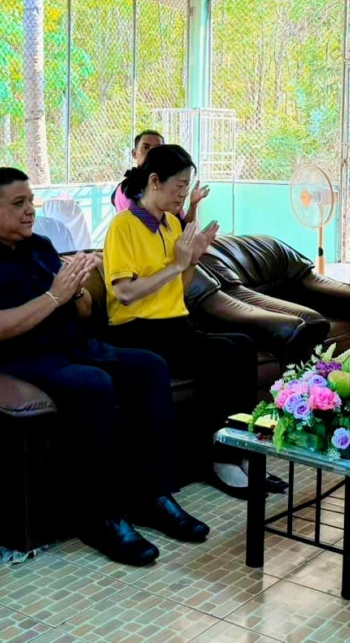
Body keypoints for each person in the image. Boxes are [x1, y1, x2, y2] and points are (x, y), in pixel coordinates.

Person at [0, 167, 208, 567]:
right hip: (20, 361)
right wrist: (54, 296)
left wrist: (78, 291)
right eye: (18, 204)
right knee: (91, 384)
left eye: (30, 201)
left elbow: (83, 310)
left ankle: (152, 495)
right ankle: (99, 516)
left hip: (76, 347)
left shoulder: (41, 245)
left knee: (149, 368)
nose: (30, 211)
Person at [102, 145, 285, 497]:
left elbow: (180, 290)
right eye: (179, 187)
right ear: (154, 181)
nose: (183, 195)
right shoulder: (123, 226)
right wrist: (177, 263)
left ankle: (238, 451)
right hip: (136, 330)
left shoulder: (172, 224)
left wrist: (191, 260)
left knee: (242, 346)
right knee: (220, 356)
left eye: (187, 188)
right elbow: (125, 293)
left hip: (175, 325)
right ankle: (218, 459)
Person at [111, 130, 208, 222]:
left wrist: (193, 205)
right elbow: (142, 227)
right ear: (134, 153)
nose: (152, 152)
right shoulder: (127, 190)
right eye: (146, 147)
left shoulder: (168, 183)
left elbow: (182, 227)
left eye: (158, 148)